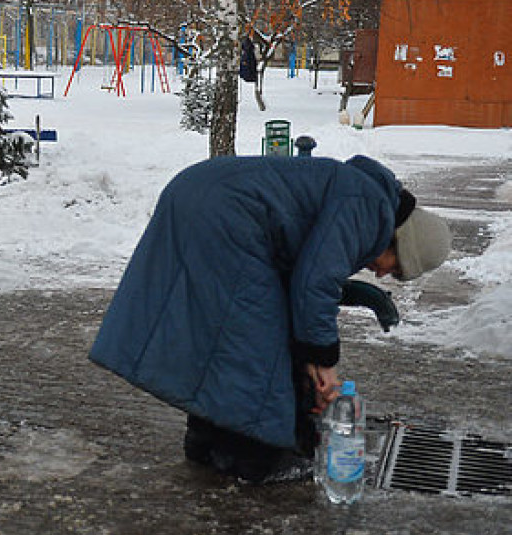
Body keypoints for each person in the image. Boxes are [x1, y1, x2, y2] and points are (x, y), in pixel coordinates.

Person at [89, 154, 451, 484]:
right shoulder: (370, 209)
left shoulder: (363, 195)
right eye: (397, 269)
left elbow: (305, 273)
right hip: (227, 217)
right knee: (257, 345)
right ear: (402, 243)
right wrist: (324, 362)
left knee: (224, 334)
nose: (384, 275)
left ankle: (206, 441)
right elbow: (315, 283)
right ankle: (255, 459)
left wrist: (313, 353)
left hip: (198, 196)